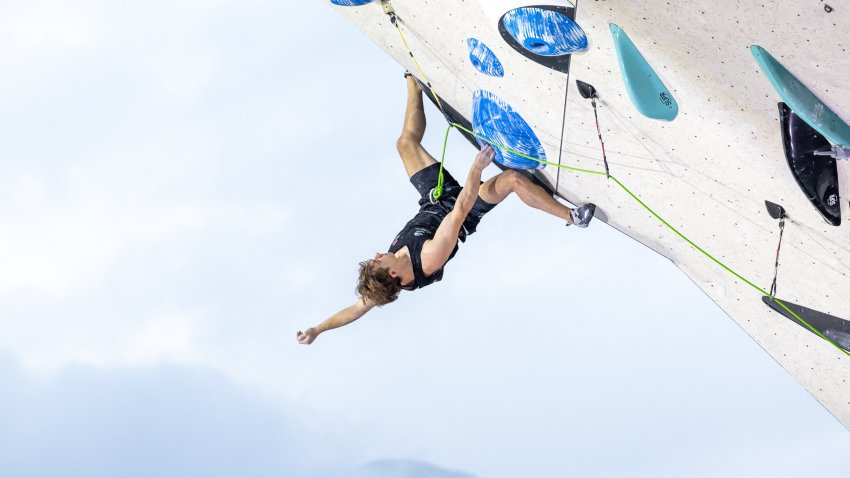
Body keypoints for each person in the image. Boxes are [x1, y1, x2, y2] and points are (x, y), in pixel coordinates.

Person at [296, 75, 595, 345]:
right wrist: (476, 168)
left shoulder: (381, 282)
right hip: (465, 207)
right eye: (377, 261)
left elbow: (354, 310)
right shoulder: (427, 259)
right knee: (512, 180)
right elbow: (462, 209)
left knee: (404, 145)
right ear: (391, 272)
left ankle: (411, 78)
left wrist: (317, 330)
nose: (377, 254)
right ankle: (571, 216)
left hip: (433, 199)